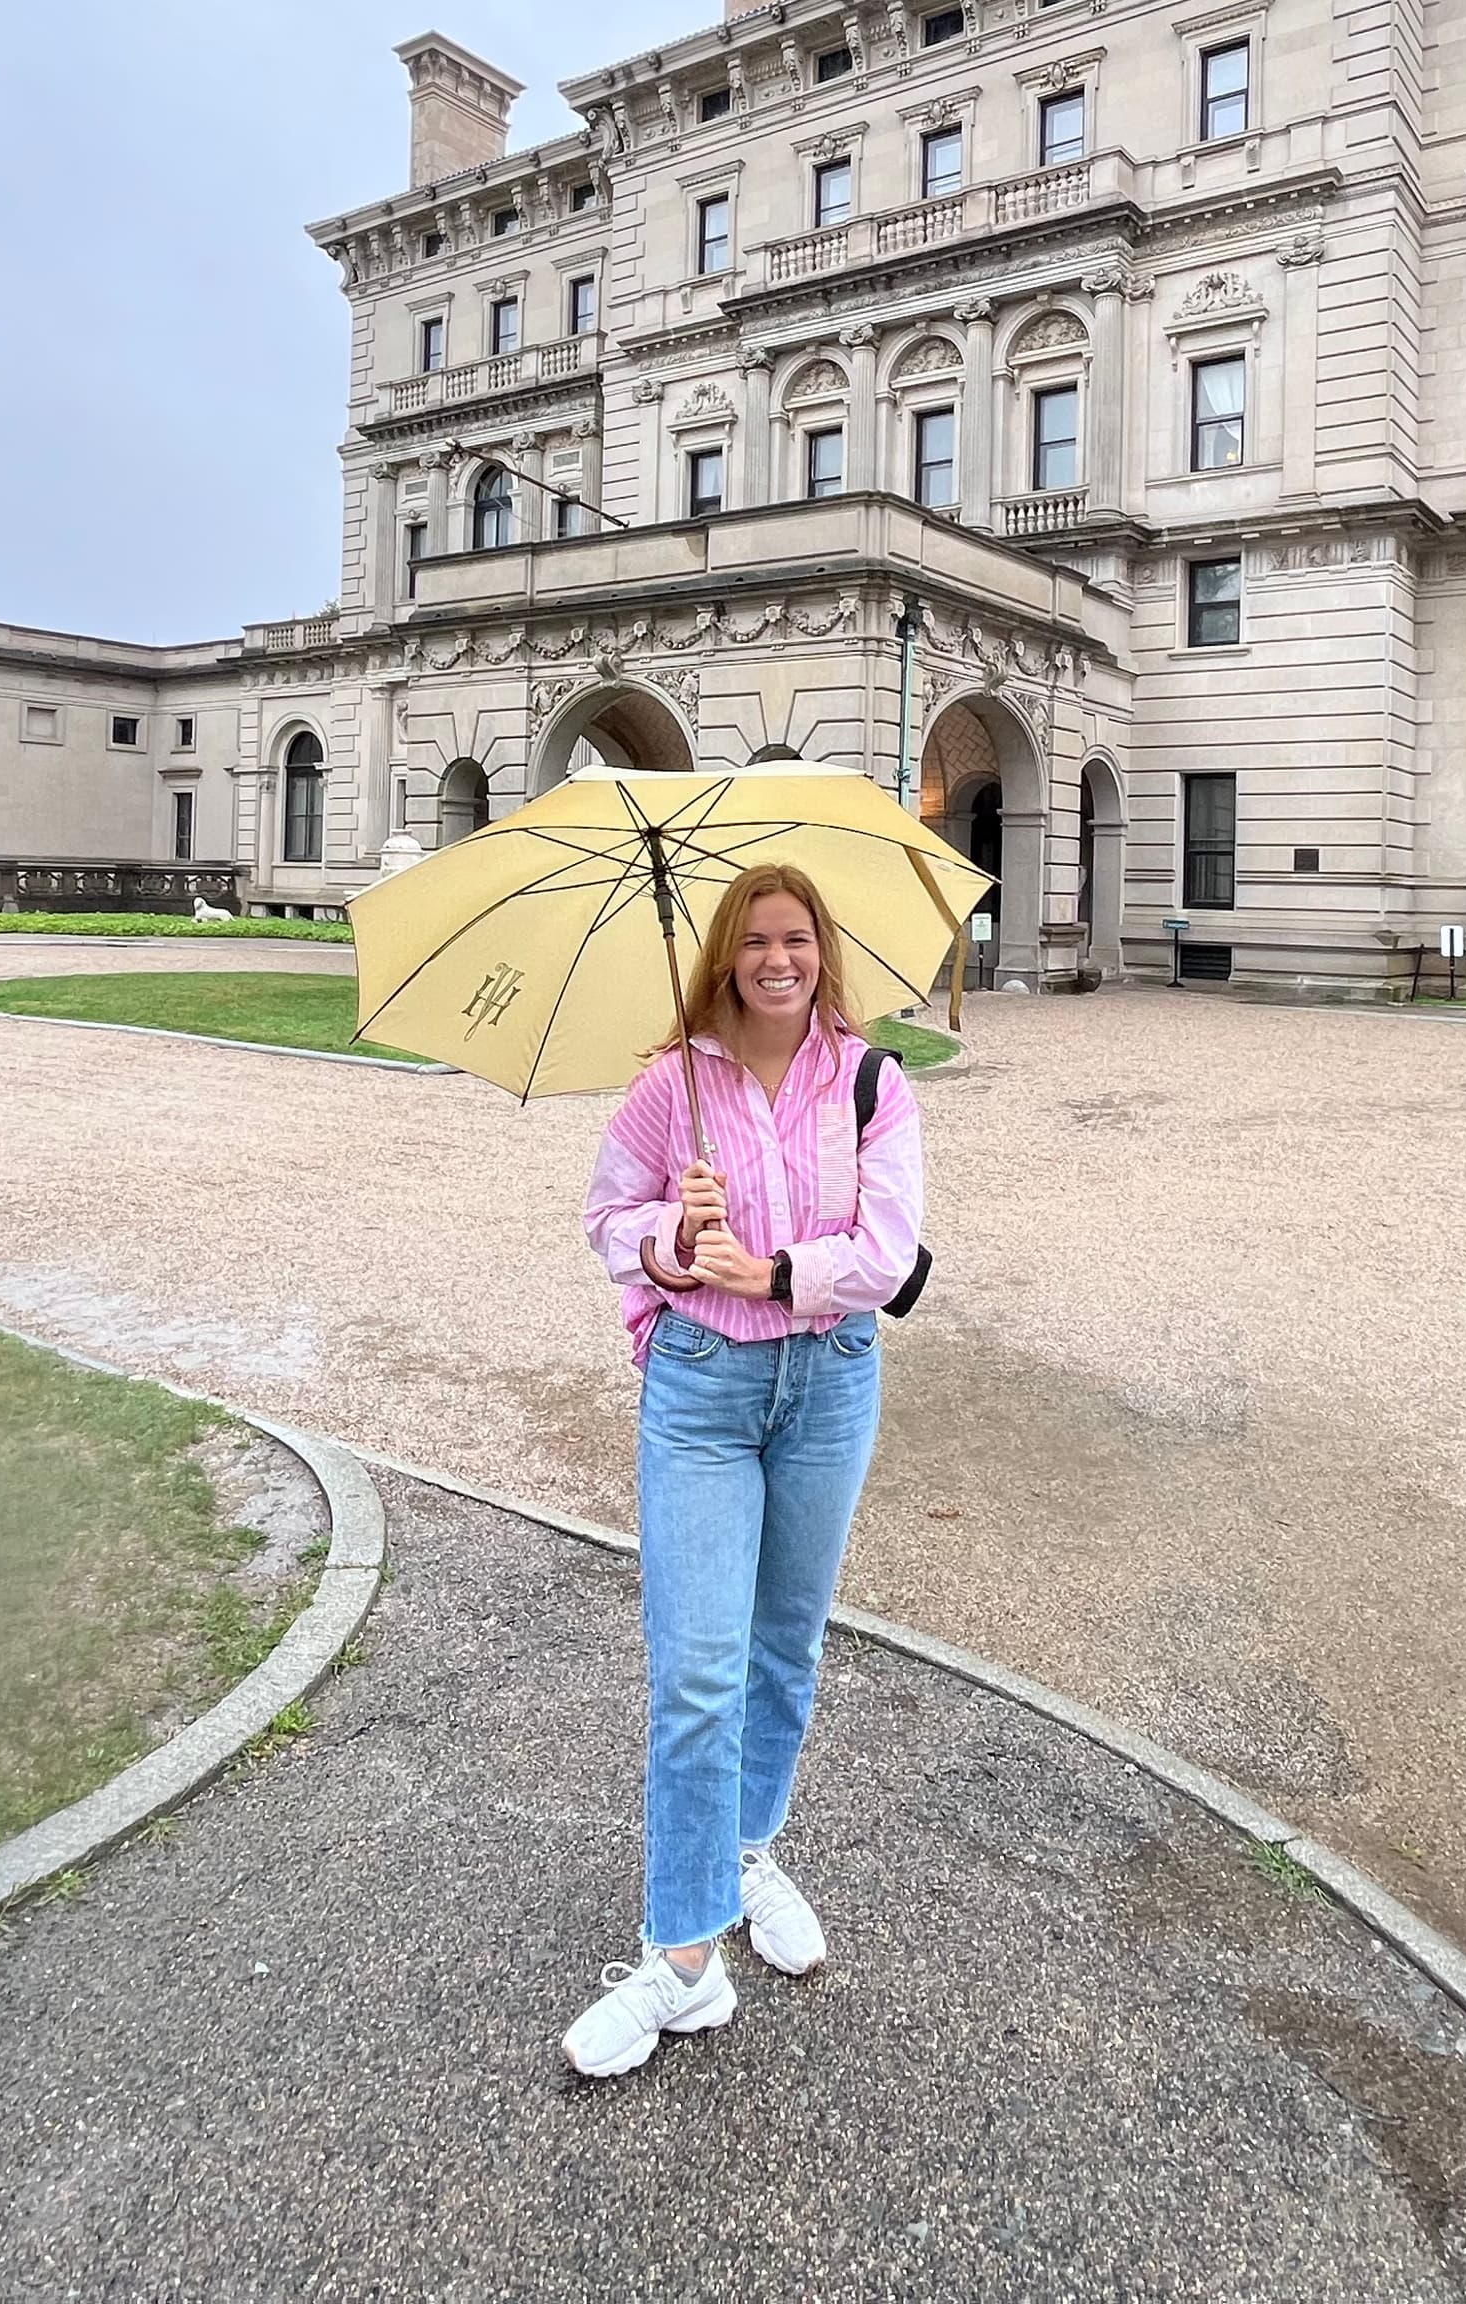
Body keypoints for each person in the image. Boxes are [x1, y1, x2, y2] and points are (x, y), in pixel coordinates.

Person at [561, 860, 926, 2078]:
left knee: (786, 1646)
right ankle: (683, 1962)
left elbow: (888, 1252)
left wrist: (765, 1272)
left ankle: (747, 1849)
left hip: (829, 1380)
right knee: (696, 1672)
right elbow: (606, 1219)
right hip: (704, 1393)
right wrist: (672, 1239)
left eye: (799, 939)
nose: (780, 960)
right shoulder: (673, 1087)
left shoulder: (872, 1081)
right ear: (724, 955)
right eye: (757, 942)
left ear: (824, 950)